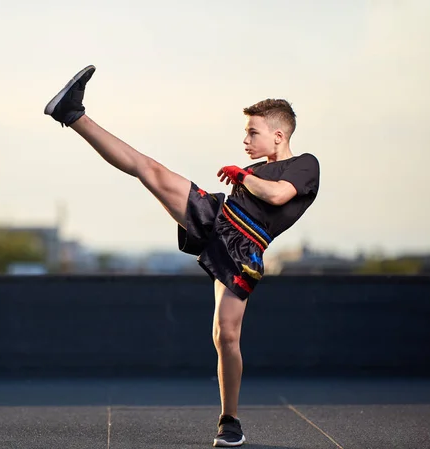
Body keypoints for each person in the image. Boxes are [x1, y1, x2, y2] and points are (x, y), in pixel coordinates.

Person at [44, 65, 320, 447]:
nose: (245, 140)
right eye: (245, 133)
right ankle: (72, 114)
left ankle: (230, 420)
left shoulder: (305, 164)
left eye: (252, 132)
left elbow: (277, 197)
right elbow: (250, 190)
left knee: (225, 336)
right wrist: (240, 178)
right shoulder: (255, 169)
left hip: (244, 248)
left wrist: (242, 176)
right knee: (149, 169)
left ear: (278, 135)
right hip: (218, 216)